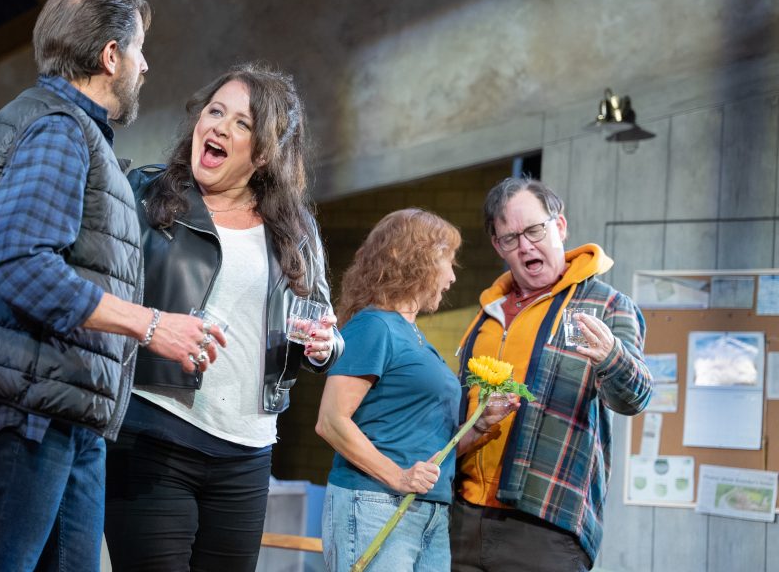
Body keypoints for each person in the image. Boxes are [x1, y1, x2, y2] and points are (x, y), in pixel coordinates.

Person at [0, 0, 225, 571]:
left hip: (63, 415)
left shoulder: (73, 132)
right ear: (110, 56)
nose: (147, 64)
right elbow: (22, 266)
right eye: (140, 49)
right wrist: (150, 325)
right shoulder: (59, 129)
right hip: (30, 416)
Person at [103, 62, 343, 572]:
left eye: (241, 123)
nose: (218, 128)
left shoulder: (295, 230)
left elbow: (323, 321)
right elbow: (101, 295)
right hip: (154, 434)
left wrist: (326, 344)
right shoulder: (145, 194)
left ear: (263, 153)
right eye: (214, 112)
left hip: (248, 452)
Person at [450, 177, 653, 572]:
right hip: (462, 519)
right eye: (510, 238)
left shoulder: (608, 305)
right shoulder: (486, 314)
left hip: (546, 523)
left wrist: (612, 355)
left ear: (560, 227)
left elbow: (635, 397)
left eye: (534, 230)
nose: (525, 245)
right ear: (498, 246)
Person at [315, 208, 520, 572]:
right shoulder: (374, 326)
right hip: (376, 503)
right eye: (449, 261)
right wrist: (398, 476)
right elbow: (331, 421)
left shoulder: (416, 338)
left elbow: (429, 449)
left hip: (428, 511)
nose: (453, 277)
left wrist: (480, 426)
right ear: (417, 259)